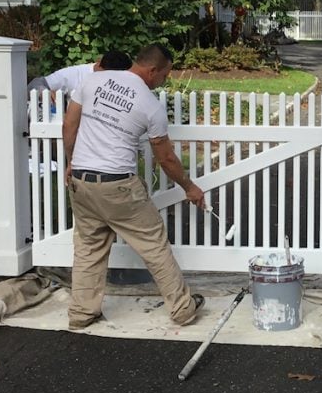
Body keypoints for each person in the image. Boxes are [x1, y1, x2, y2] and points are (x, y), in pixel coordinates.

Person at [62, 44, 206, 330]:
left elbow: (69, 126)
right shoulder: (149, 105)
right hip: (119, 186)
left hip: (81, 180)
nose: (163, 81)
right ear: (152, 70)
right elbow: (165, 157)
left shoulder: (92, 81)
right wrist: (189, 186)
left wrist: (71, 162)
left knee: (89, 247)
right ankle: (182, 309)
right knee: (154, 246)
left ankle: (81, 313)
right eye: (164, 76)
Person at [28, 50, 133, 97]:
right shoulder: (75, 73)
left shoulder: (125, 79)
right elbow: (35, 83)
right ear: (99, 62)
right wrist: (44, 92)